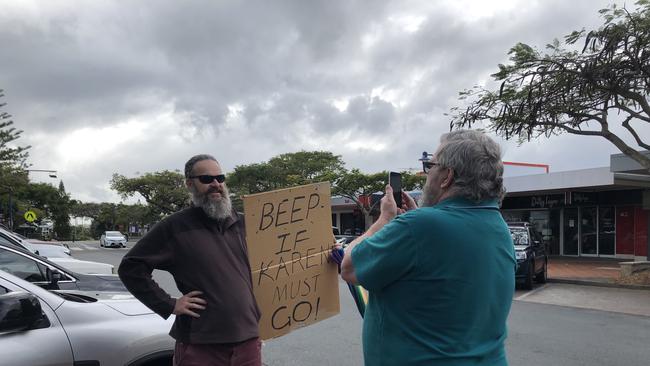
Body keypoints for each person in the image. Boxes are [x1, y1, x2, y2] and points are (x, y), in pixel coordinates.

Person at [340, 130, 516, 366]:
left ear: (447, 176)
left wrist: (384, 221)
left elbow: (349, 267)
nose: (426, 175)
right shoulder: (498, 226)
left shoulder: (419, 227)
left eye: (430, 166)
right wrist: (416, 220)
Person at [118, 154, 261, 366]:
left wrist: (327, 254)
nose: (215, 184)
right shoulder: (175, 227)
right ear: (189, 184)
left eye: (220, 178)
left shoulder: (245, 224)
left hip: (248, 344)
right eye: (206, 179)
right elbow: (131, 267)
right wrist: (169, 304)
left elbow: (286, 259)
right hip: (201, 346)